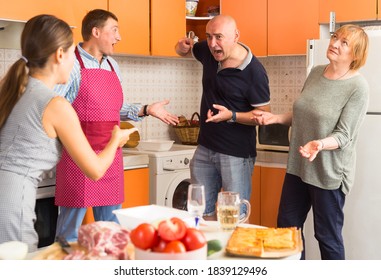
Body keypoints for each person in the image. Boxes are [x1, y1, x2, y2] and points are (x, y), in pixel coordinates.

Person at [0, 14, 137, 252]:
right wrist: (116, 139)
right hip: (13, 202)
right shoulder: (55, 103)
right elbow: (94, 170)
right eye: (73, 53)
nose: (76, 61)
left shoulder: (15, 89)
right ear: (60, 55)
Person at [54, 9, 179, 242]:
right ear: (96, 31)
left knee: (110, 233)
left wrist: (145, 110)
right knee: (69, 236)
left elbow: (113, 108)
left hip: (111, 156)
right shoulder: (71, 62)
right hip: (79, 156)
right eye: (114, 30)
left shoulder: (113, 65)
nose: (118, 37)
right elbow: (54, 106)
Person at [252, 24, 369, 260]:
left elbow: (344, 136)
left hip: (328, 173)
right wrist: (275, 118)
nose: (334, 43)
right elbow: (303, 112)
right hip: (299, 166)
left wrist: (320, 144)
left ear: (355, 54)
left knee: (327, 236)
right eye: (335, 37)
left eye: (344, 42)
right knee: (287, 228)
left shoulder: (358, 87)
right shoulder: (316, 72)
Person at [175, 15, 270, 220]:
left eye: (219, 37)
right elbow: (184, 50)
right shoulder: (208, 51)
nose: (212, 43)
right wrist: (181, 47)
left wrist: (232, 116)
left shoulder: (254, 71)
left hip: (236, 153)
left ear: (236, 36)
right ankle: (207, 252)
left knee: (233, 217)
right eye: (209, 37)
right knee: (200, 213)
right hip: (205, 147)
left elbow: (265, 115)